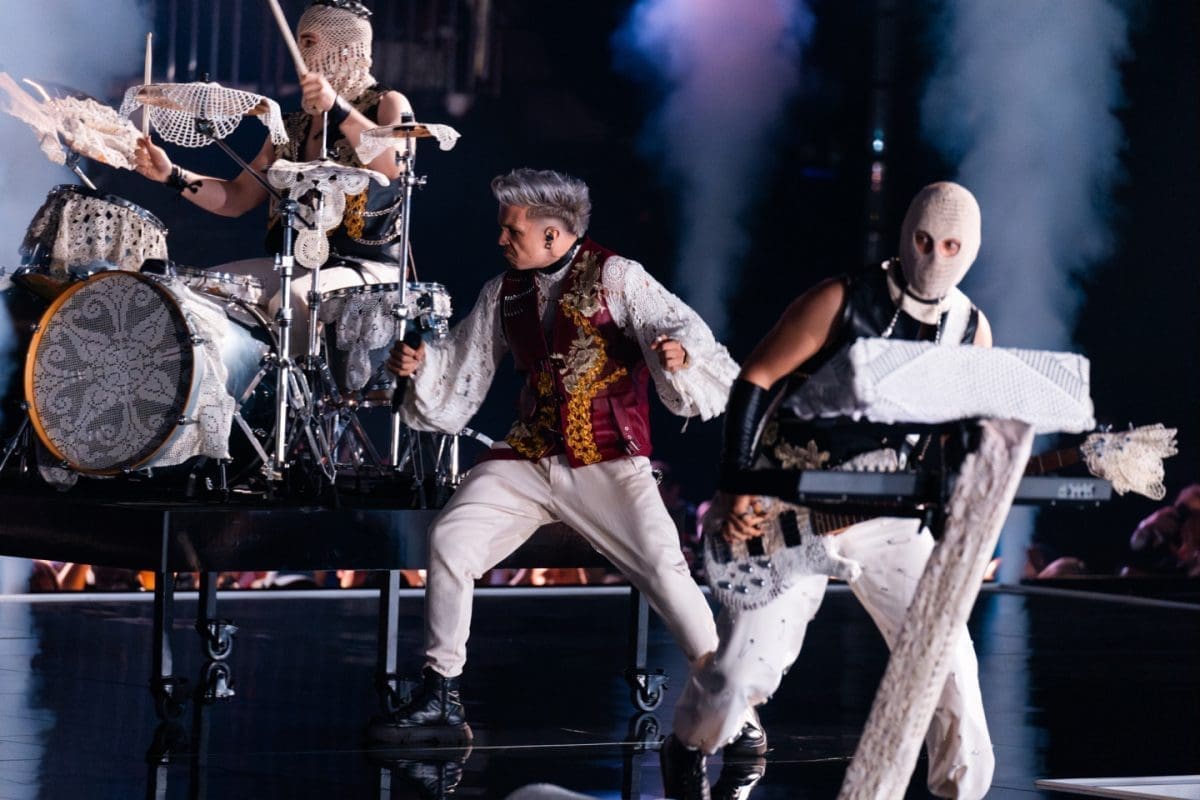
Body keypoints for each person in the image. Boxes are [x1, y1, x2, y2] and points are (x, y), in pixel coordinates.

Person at [367, 167, 739, 744]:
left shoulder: (618, 276)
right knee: (452, 539)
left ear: (552, 234)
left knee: (667, 573)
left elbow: (679, 325)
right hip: (530, 455)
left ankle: (734, 710)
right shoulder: (504, 290)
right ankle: (442, 692)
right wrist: (423, 366)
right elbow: (462, 357)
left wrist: (680, 354)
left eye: (511, 230)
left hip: (607, 459)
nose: (500, 239)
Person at [663, 182, 996, 800]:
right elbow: (756, 378)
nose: (934, 257)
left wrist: (960, 524)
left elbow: (961, 438)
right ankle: (687, 745)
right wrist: (738, 485)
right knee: (741, 675)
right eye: (924, 240)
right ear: (906, 235)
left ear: (970, 250)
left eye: (951, 246)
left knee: (950, 662)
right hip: (790, 502)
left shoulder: (970, 330)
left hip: (887, 514)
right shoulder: (842, 298)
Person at [132, 0, 413, 343]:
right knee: (196, 289)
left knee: (290, 300)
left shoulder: (388, 103)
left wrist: (336, 108)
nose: (301, 54)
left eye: (309, 42)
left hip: (367, 268)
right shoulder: (292, 126)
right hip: (298, 265)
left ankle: (296, 380)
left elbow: (394, 165)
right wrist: (172, 174)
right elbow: (236, 198)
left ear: (344, 51)